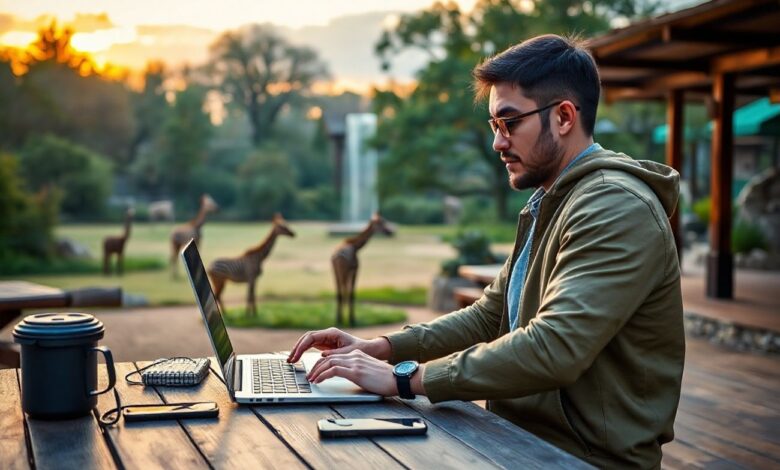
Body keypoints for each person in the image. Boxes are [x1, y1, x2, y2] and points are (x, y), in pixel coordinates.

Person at [288, 34, 684, 468]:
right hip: (518, 439)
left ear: (565, 117)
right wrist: (381, 347)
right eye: (494, 126)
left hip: (583, 458)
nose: (498, 142)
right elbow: (489, 316)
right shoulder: (551, 202)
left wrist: (406, 379)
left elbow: (554, 348)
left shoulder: (614, 207)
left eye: (510, 123)